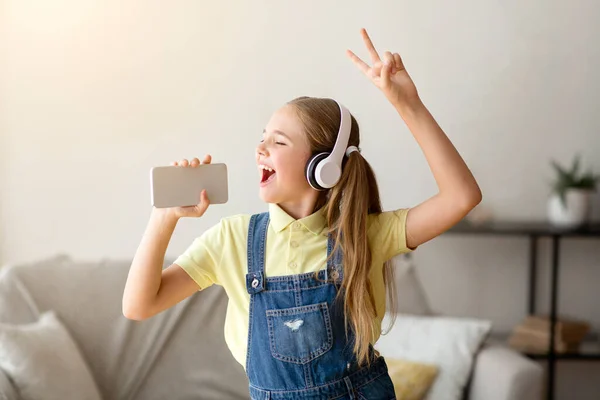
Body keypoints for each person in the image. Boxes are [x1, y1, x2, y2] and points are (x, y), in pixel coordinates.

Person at [123, 28, 482, 400]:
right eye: (262, 136)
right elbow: (138, 305)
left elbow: (461, 196)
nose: (260, 147)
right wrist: (163, 219)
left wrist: (409, 105)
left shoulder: (365, 235)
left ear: (322, 167)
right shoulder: (232, 239)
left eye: (279, 141)